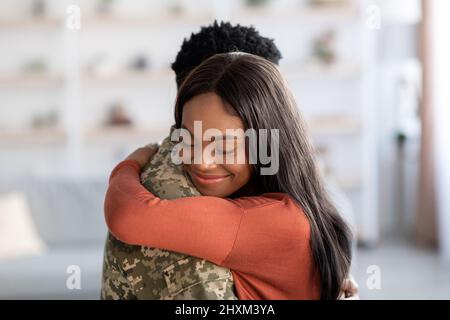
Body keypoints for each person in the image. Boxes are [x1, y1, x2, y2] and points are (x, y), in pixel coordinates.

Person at [104, 52, 354, 299]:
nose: (202, 161)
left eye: (224, 146)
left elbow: (129, 216)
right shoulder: (291, 210)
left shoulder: (267, 221)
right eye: (188, 139)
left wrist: (133, 162)